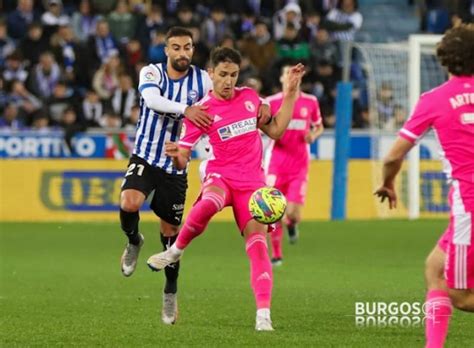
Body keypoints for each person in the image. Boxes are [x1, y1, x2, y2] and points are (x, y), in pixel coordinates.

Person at [146, 46, 305, 331]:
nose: (228, 81)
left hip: (252, 186)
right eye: (222, 74)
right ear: (211, 74)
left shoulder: (250, 99)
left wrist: (290, 92)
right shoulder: (202, 111)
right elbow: (183, 157)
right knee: (208, 203)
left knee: (258, 248)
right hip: (221, 176)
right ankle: (175, 251)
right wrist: (177, 155)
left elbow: (277, 131)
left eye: (233, 74)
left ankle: (263, 316)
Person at [374, 23, 474, 348]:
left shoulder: (434, 100)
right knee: (434, 267)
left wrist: (388, 183)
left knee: (460, 295)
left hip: (469, 205)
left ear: (443, 60)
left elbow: (392, 157)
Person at [119, 26, 214, 325]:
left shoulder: (204, 79)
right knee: (129, 203)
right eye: (176, 47)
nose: (182, 53)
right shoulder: (152, 73)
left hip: (177, 164)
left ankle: (170, 292)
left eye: (187, 47)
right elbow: (151, 101)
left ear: (192, 50)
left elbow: (215, 114)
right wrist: (186, 109)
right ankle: (134, 240)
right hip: (146, 155)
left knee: (170, 235)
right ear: (166, 50)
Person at [265, 65, 324, 265]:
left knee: (292, 213)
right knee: (274, 211)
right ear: (282, 79)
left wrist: (313, 136)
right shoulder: (272, 102)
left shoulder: (311, 101)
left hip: (299, 166)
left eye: (295, 75)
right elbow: (264, 128)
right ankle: (277, 254)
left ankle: (291, 225)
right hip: (276, 164)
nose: (291, 78)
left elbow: (319, 125)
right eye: (288, 74)